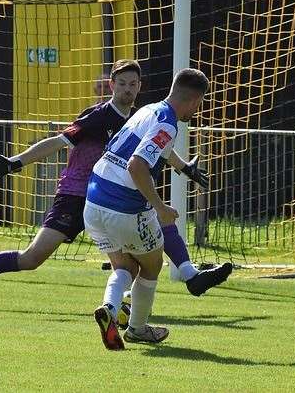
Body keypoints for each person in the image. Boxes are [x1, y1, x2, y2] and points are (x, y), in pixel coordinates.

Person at [0, 60, 231, 309]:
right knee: (31, 258)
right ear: (111, 85)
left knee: (139, 242)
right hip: (77, 195)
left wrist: (184, 168)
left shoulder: (143, 115)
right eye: (122, 83)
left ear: (140, 86)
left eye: (133, 84)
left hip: (112, 199)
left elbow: (158, 148)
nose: (127, 89)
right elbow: (57, 141)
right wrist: (15, 162)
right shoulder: (98, 115)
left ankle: (169, 284)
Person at [85, 68, 210, 349]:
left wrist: (183, 168)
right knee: (152, 264)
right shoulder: (168, 124)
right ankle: (137, 329)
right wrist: (160, 206)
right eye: (199, 104)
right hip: (123, 205)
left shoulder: (148, 110)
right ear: (194, 101)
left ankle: (110, 307)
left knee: (125, 265)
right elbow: (137, 165)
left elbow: (151, 150)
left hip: (93, 201)